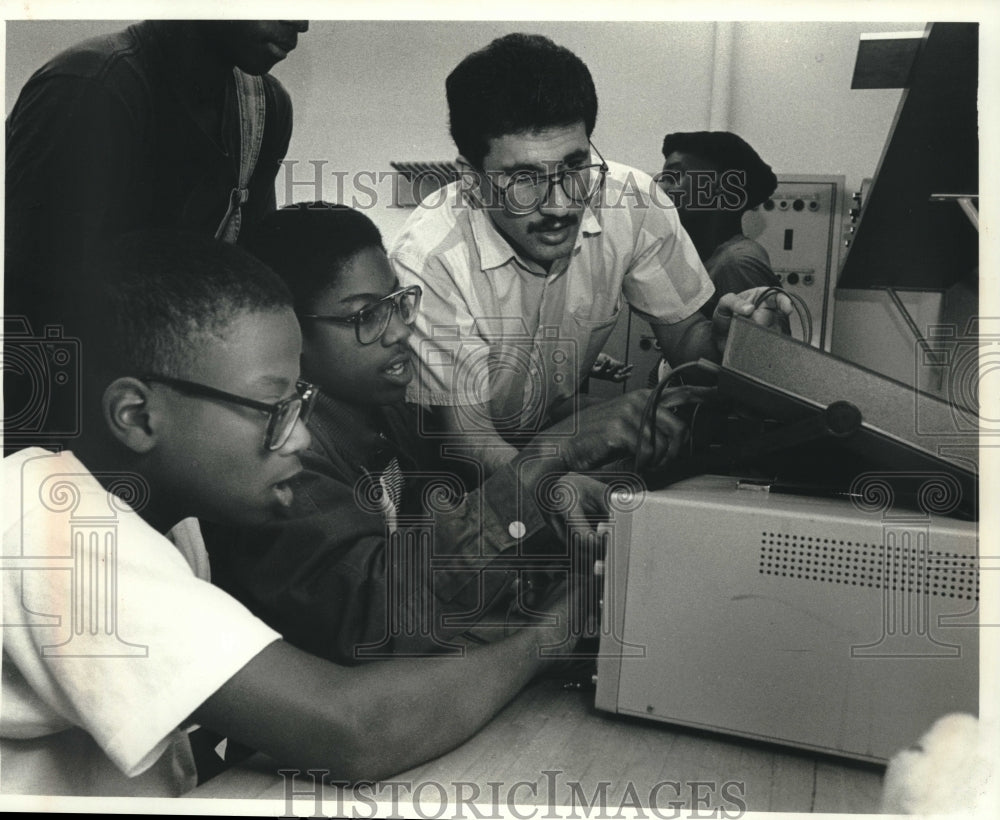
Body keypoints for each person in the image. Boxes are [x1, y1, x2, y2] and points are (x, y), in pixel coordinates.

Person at [0, 231, 585, 797]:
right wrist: (550, 637)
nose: (301, 437)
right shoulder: (54, 527)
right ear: (137, 416)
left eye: (300, 403)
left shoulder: (170, 526)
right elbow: (355, 732)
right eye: (272, 408)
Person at [203, 202, 691, 665]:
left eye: (398, 303)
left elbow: (451, 524)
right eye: (366, 315)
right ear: (286, 333)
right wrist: (542, 460)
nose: (400, 332)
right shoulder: (286, 460)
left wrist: (546, 493)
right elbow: (371, 616)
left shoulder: (391, 414)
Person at [389, 33, 790, 477]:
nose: (560, 205)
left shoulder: (634, 203)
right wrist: (567, 468)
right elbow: (471, 444)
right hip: (456, 479)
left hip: (540, 449)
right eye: (524, 177)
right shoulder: (429, 258)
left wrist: (727, 341)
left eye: (574, 166)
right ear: (470, 179)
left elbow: (688, 345)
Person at [4, 20, 307, 450]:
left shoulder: (263, 105)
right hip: (70, 414)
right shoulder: (91, 86)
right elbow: (30, 312)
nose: (303, 22)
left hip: (175, 400)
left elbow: (250, 278)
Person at [658, 131, 782, 319]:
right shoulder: (711, 259)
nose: (662, 188)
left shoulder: (737, 263)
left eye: (674, 176)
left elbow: (755, 347)